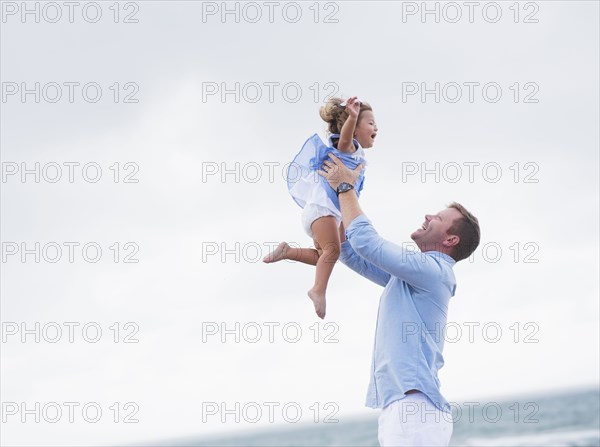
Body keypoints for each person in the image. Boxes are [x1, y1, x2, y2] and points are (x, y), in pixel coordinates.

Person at [317, 154, 481, 447]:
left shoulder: (433, 271)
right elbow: (352, 251)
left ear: (450, 240)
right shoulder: (414, 276)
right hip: (404, 409)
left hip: (413, 411)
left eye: (439, 218)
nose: (429, 216)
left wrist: (345, 187)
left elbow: (368, 242)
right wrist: (334, 199)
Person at [263, 96, 378, 319]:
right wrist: (353, 116)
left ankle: (287, 252)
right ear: (354, 129)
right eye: (371, 123)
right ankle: (318, 290)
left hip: (325, 214)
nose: (376, 128)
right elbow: (345, 139)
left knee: (321, 256)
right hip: (322, 210)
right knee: (332, 252)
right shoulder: (348, 147)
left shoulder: (358, 155)